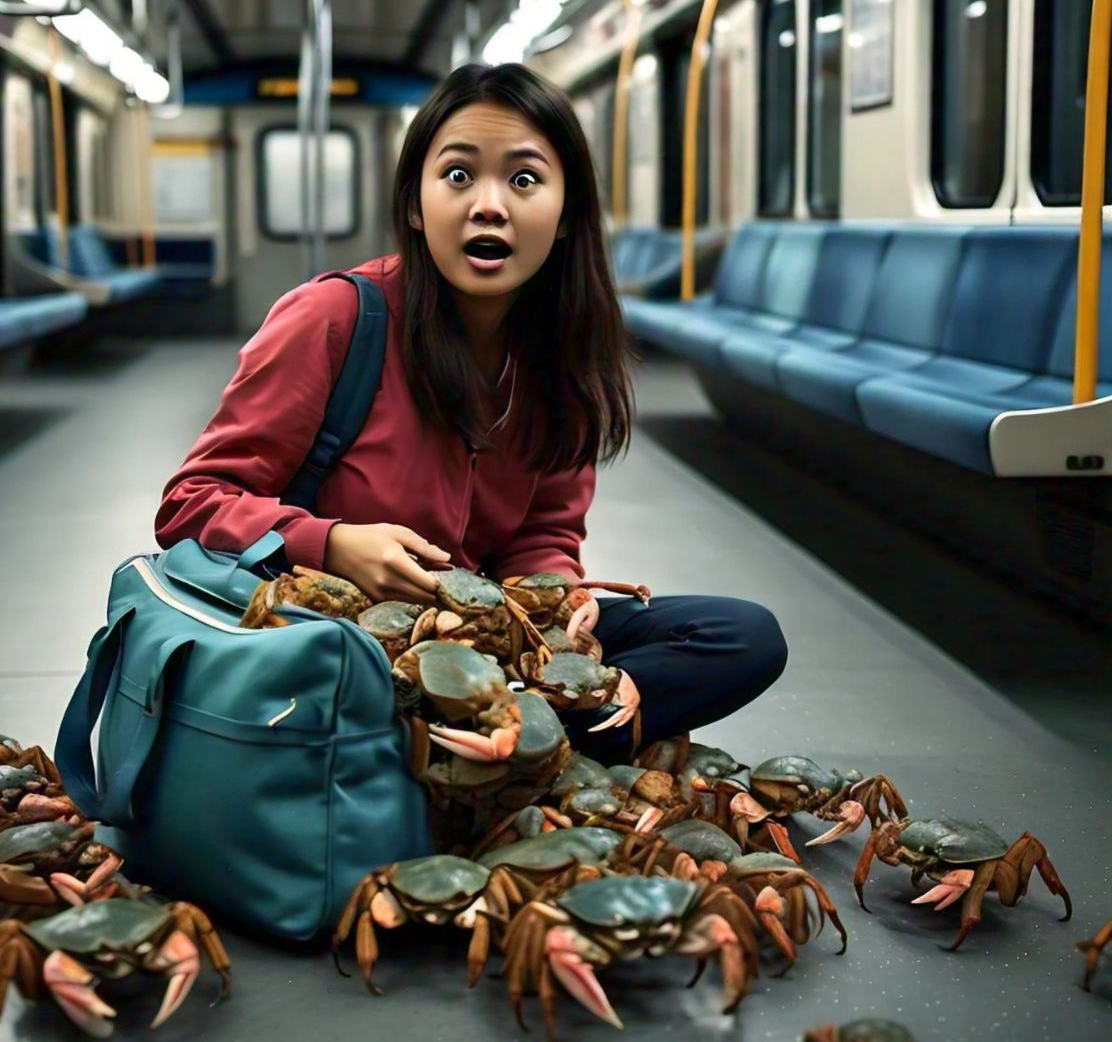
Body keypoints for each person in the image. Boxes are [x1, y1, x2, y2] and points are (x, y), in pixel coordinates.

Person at [155, 62, 786, 764]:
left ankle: (479, 742)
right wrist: (330, 543)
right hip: (340, 640)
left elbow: (542, 535)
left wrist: (557, 604)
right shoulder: (335, 318)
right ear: (417, 206)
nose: (490, 205)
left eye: (524, 180)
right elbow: (192, 505)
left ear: (568, 212)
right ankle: (508, 746)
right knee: (364, 690)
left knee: (741, 636)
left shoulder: (561, 353)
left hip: (479, 639)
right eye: (458, 176)